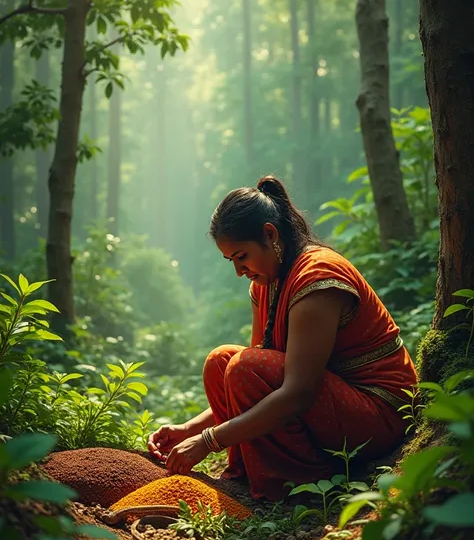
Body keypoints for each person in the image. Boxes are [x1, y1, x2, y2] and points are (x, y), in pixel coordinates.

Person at [148, 176, 418, 501]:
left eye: (241, 256)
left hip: (380, 412)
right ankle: (250, 475)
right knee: (222, 362)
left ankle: (298, 487)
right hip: (335, 402)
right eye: (231, 261)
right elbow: (249, 383)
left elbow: (297, 393)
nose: (238, 270)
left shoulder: (317, 279)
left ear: (270, 235)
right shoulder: (267, 283)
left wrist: (209, 441)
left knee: (246, 366)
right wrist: (188, 430)